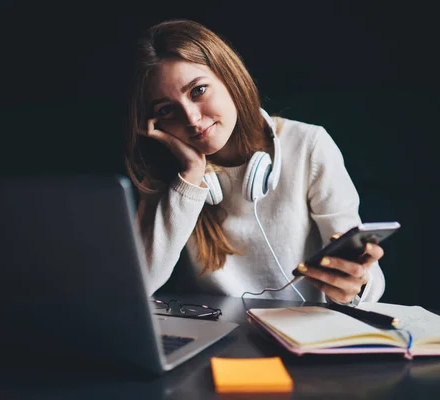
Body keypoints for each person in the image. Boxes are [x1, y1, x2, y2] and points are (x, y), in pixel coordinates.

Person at [123, 18, 386, 305]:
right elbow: (136, 289)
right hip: (219, 334)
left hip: (304, 333)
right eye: (167, 110)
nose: (192, 119)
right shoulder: (169, 175)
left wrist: (356, 284)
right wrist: (190, 178)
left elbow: (368, 279)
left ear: (229, 78)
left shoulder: (307, 145)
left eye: (198, 90)